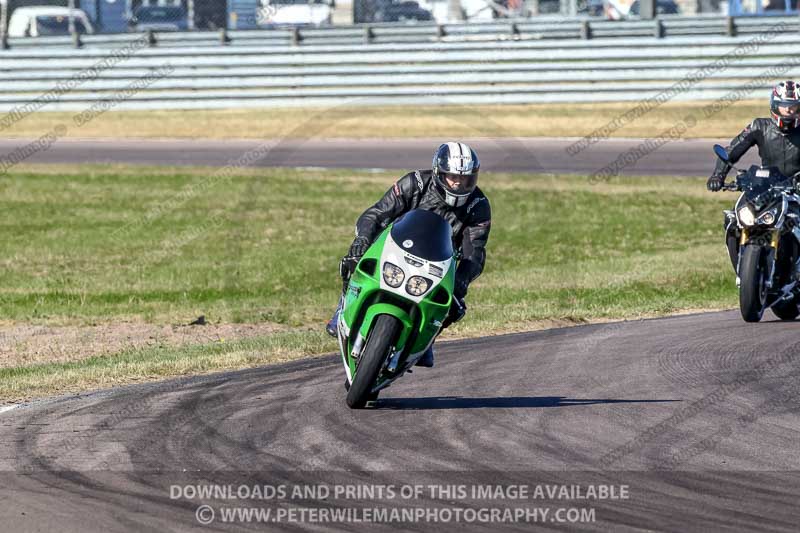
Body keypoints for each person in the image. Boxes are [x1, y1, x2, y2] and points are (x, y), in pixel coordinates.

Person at [326, 142, 492, 368]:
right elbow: (375, 214)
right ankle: (343, 307)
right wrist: (362, 240)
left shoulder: (478, 205)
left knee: (453, 305)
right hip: (395, 247)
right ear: (438, 172)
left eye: (465, 178)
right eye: (452, 176)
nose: (458, 183)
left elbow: (475, 252)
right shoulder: (415, 183)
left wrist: (462, 279)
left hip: (438, 263)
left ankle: (425, 339)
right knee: (354, 259)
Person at [708, 80, 800, 268]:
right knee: (734, 220)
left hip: (796, 189)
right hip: (767, 187)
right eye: (785, 107)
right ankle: (744, 272)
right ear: (775, 106)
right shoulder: (759, 126)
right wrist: (718, 175)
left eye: (794, 107)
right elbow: (731, 151)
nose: (789, 111)